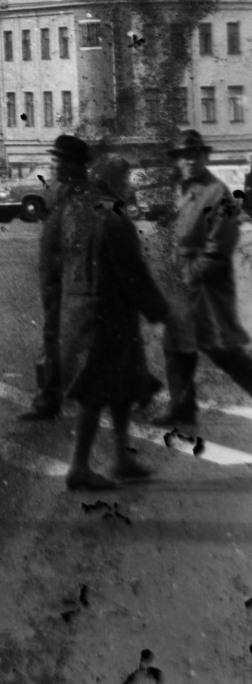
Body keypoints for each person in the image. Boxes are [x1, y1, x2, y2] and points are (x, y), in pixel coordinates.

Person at [58, 153, 170, 489]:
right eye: (126, 179)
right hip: (110, 318)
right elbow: (132, 273)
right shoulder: (113, 217)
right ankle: (79, 467)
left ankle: (121, 458)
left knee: (122, 386)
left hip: (79, 312)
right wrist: (161, 312)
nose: (129, 187)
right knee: (96, 390)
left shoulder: (73, 210)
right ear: (114, 180)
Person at [157, 129, 252, 426]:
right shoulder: (181, 189)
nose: (191, 160)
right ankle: (182, 407)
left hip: (207, 284)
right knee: (176, 345)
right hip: (183, 280)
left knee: (222, 349)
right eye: (185, 156)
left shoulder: (217, 191)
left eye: (196, 154)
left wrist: (193, 273)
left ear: (204, 157)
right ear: (179, 160)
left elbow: (220, 242)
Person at [19, 134, 95, 422]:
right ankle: (49, 397)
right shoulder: (62, 193)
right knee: (54, 337)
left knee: (65, 341)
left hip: (70, 284)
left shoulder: (82, 199)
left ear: (76, 165)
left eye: (60, 161)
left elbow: (80, 245)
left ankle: (49, 399)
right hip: (53, 281)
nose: (55, 166)